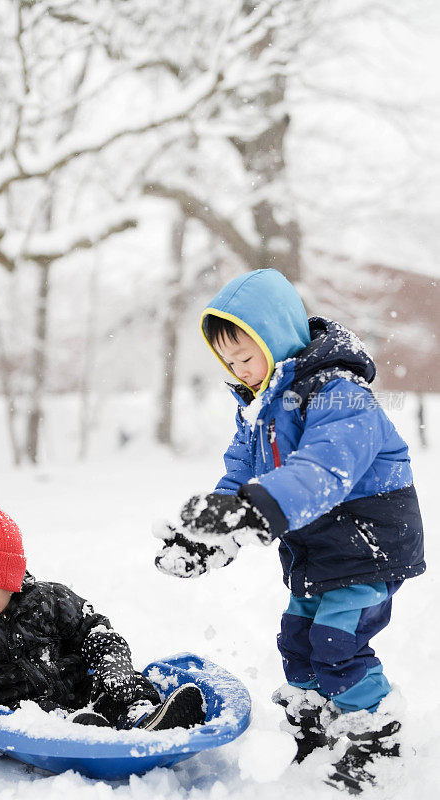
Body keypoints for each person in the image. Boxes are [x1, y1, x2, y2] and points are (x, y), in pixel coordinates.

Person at [155, 268, 425, 792]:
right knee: (298, 641)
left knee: (336, 641)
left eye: (246, 356)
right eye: (228, 362)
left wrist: (253, 511)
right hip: (317, 542)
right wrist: (211, 533)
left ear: (276, 338)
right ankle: (320, 728)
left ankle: (376, 739)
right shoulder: (258, 410)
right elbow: (239, 476)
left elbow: (322, 472)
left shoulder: (342, 395)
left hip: (368, 539)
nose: (239, 370)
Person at [0, 507, 205, 733]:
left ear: (9, 581)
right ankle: (82, 729)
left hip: (82, 691)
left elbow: (94, 629)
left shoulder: (49, 601)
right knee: (48, 718)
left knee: (117, 687)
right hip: (23, 713)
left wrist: (113, 664)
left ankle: (143, 713)